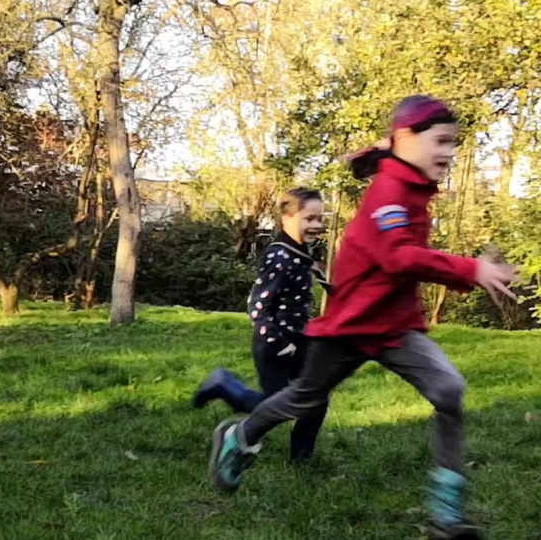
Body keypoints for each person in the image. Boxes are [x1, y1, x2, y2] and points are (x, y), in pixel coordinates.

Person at [208, 96, 517, 540]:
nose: (450, 152)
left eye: (454, 143)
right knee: (303, 398)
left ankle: (446, 512)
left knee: (449, 389)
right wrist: (471, 268)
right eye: (442, 141)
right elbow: (397, 256)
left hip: (394, 327)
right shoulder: (388, 193)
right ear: (408, 139)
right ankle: (239, 437)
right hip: (351, 325)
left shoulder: (411, 187)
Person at [192, 187, 330, 463]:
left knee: (317, 399)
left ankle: (302, 460)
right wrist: (278, 343)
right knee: (278, 406)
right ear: (287, 217)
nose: (317, 225)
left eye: (320, 219)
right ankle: (224, 385)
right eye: (309, 218)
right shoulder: (280, 257)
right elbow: (257, 305)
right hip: (275, 344)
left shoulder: (299, 253)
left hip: (300, 339)